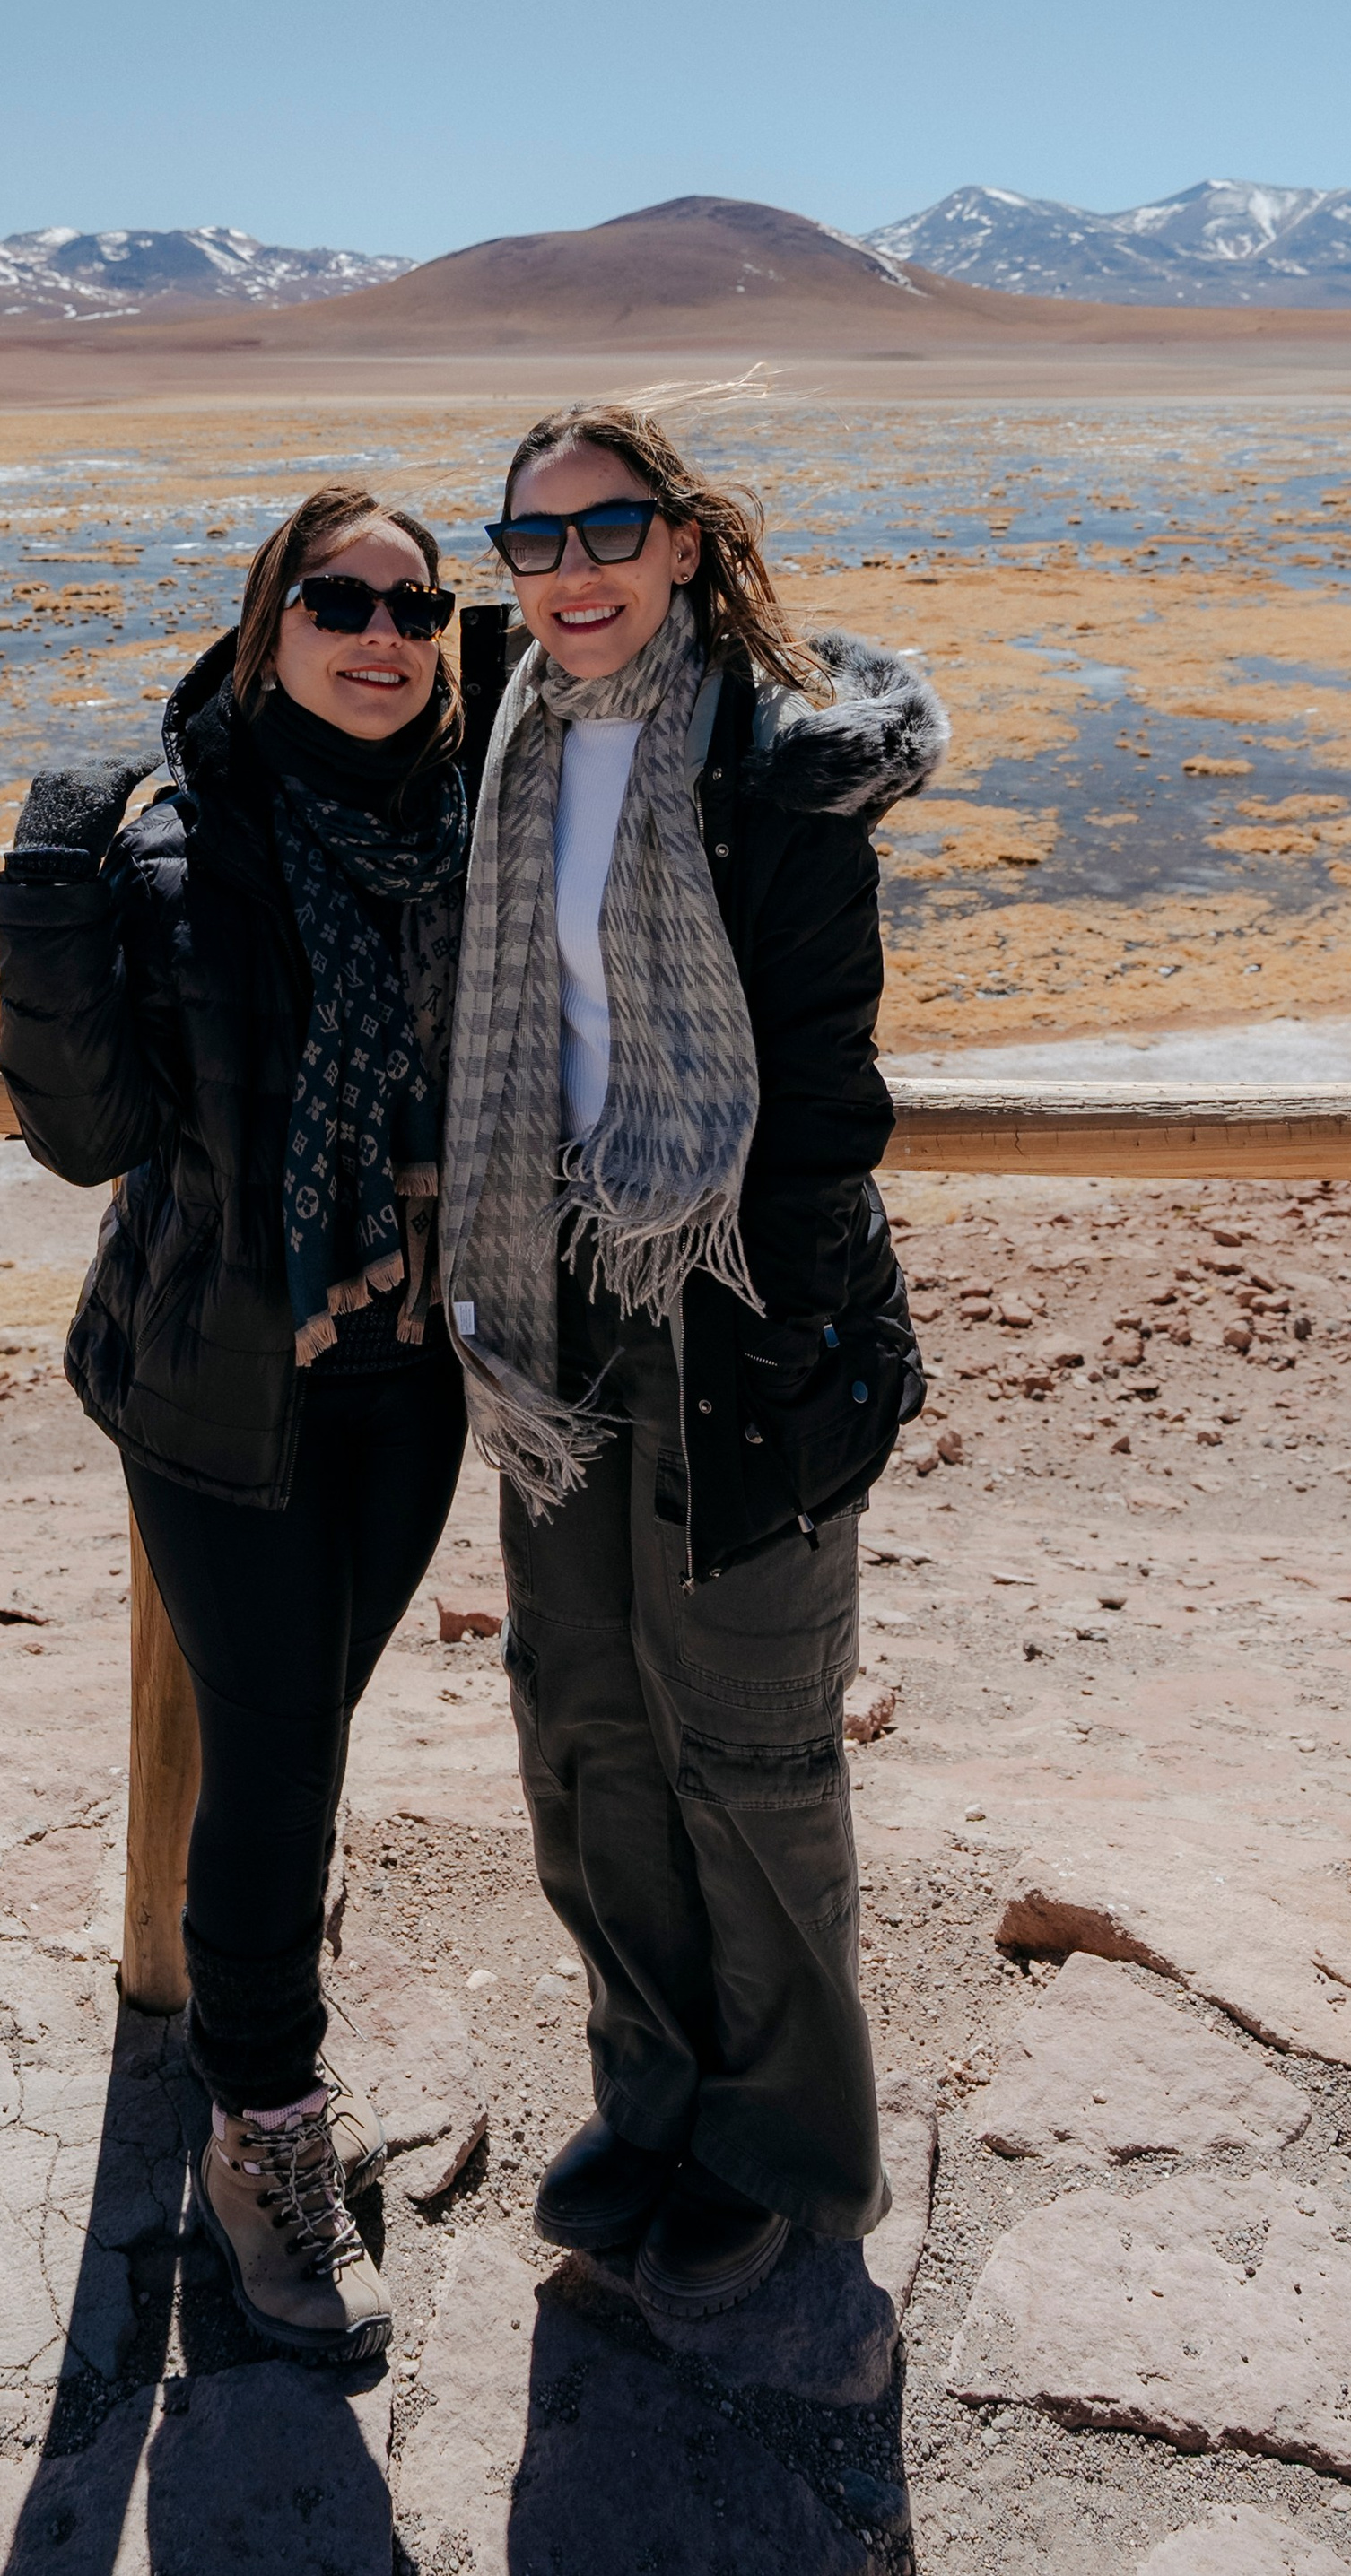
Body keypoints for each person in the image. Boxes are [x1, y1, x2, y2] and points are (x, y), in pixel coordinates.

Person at [442, 401, 946, 2321]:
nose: (568, 575)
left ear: (679, 545)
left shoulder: (771, 765)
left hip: (739, 1308)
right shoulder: (498, 745)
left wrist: (790, 1318)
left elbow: (824, 1090)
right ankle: (647, 2097)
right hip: (546, 1294)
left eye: (605, 533)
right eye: (531, 543)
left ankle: (784, 2151)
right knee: (583, 1729)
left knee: (747, 1746)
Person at [0, 486, 473, 2363]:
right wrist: (49, 874)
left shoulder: (470, 828)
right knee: (274, 1756)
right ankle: (260, 2138)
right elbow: (84, 1137)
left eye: (414, 607)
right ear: (265, 622)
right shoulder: (175, 843)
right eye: (337, 600)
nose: (381, 634)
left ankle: (256, 2047)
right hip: (216, 1399)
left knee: (307, 1737)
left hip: (416, 1378)